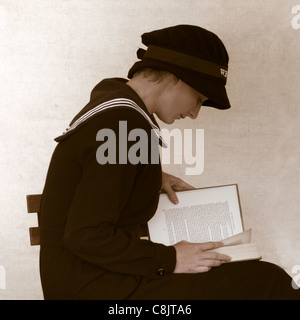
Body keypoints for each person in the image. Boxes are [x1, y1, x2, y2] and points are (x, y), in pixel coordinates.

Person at [39, 24, 300, 299]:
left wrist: (147, 176)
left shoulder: (113, 104)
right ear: (175, 77)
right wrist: (172, 259)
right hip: (95, 286)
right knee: (267, 282)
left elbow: (94, 174)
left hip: (85, 277)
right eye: (198, 98)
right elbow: (85, 234)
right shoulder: (124, 125)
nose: (195, 113)